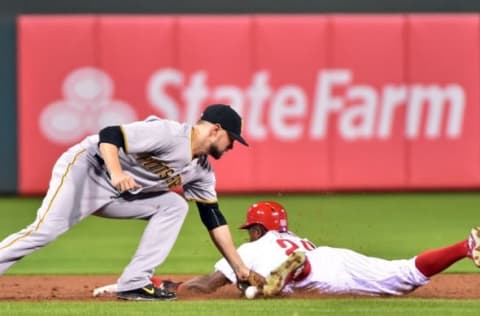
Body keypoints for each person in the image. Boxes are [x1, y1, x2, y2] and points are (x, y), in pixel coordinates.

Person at [0, 103, 252, 301]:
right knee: (44, 232)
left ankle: (134, 283)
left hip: (120, 192)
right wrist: (117, 172)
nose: (232, 145)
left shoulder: (202, 171)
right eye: (232, 138)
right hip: (88, 170)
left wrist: (238, 267)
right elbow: (109, 134)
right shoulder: (170, 134)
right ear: (215, 129)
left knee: (174, 206)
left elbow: (213, 217)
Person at [95, 200, 480, 298]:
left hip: (316, 270)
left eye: (250, 229)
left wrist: (151, 285)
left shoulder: (252, 249)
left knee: (256, 289)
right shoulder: (293, 237)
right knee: (406, 274)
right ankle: (465, 246)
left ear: (257, 228)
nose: (247, 234)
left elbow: (204, 286)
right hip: (333, 254)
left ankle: (290, 274)